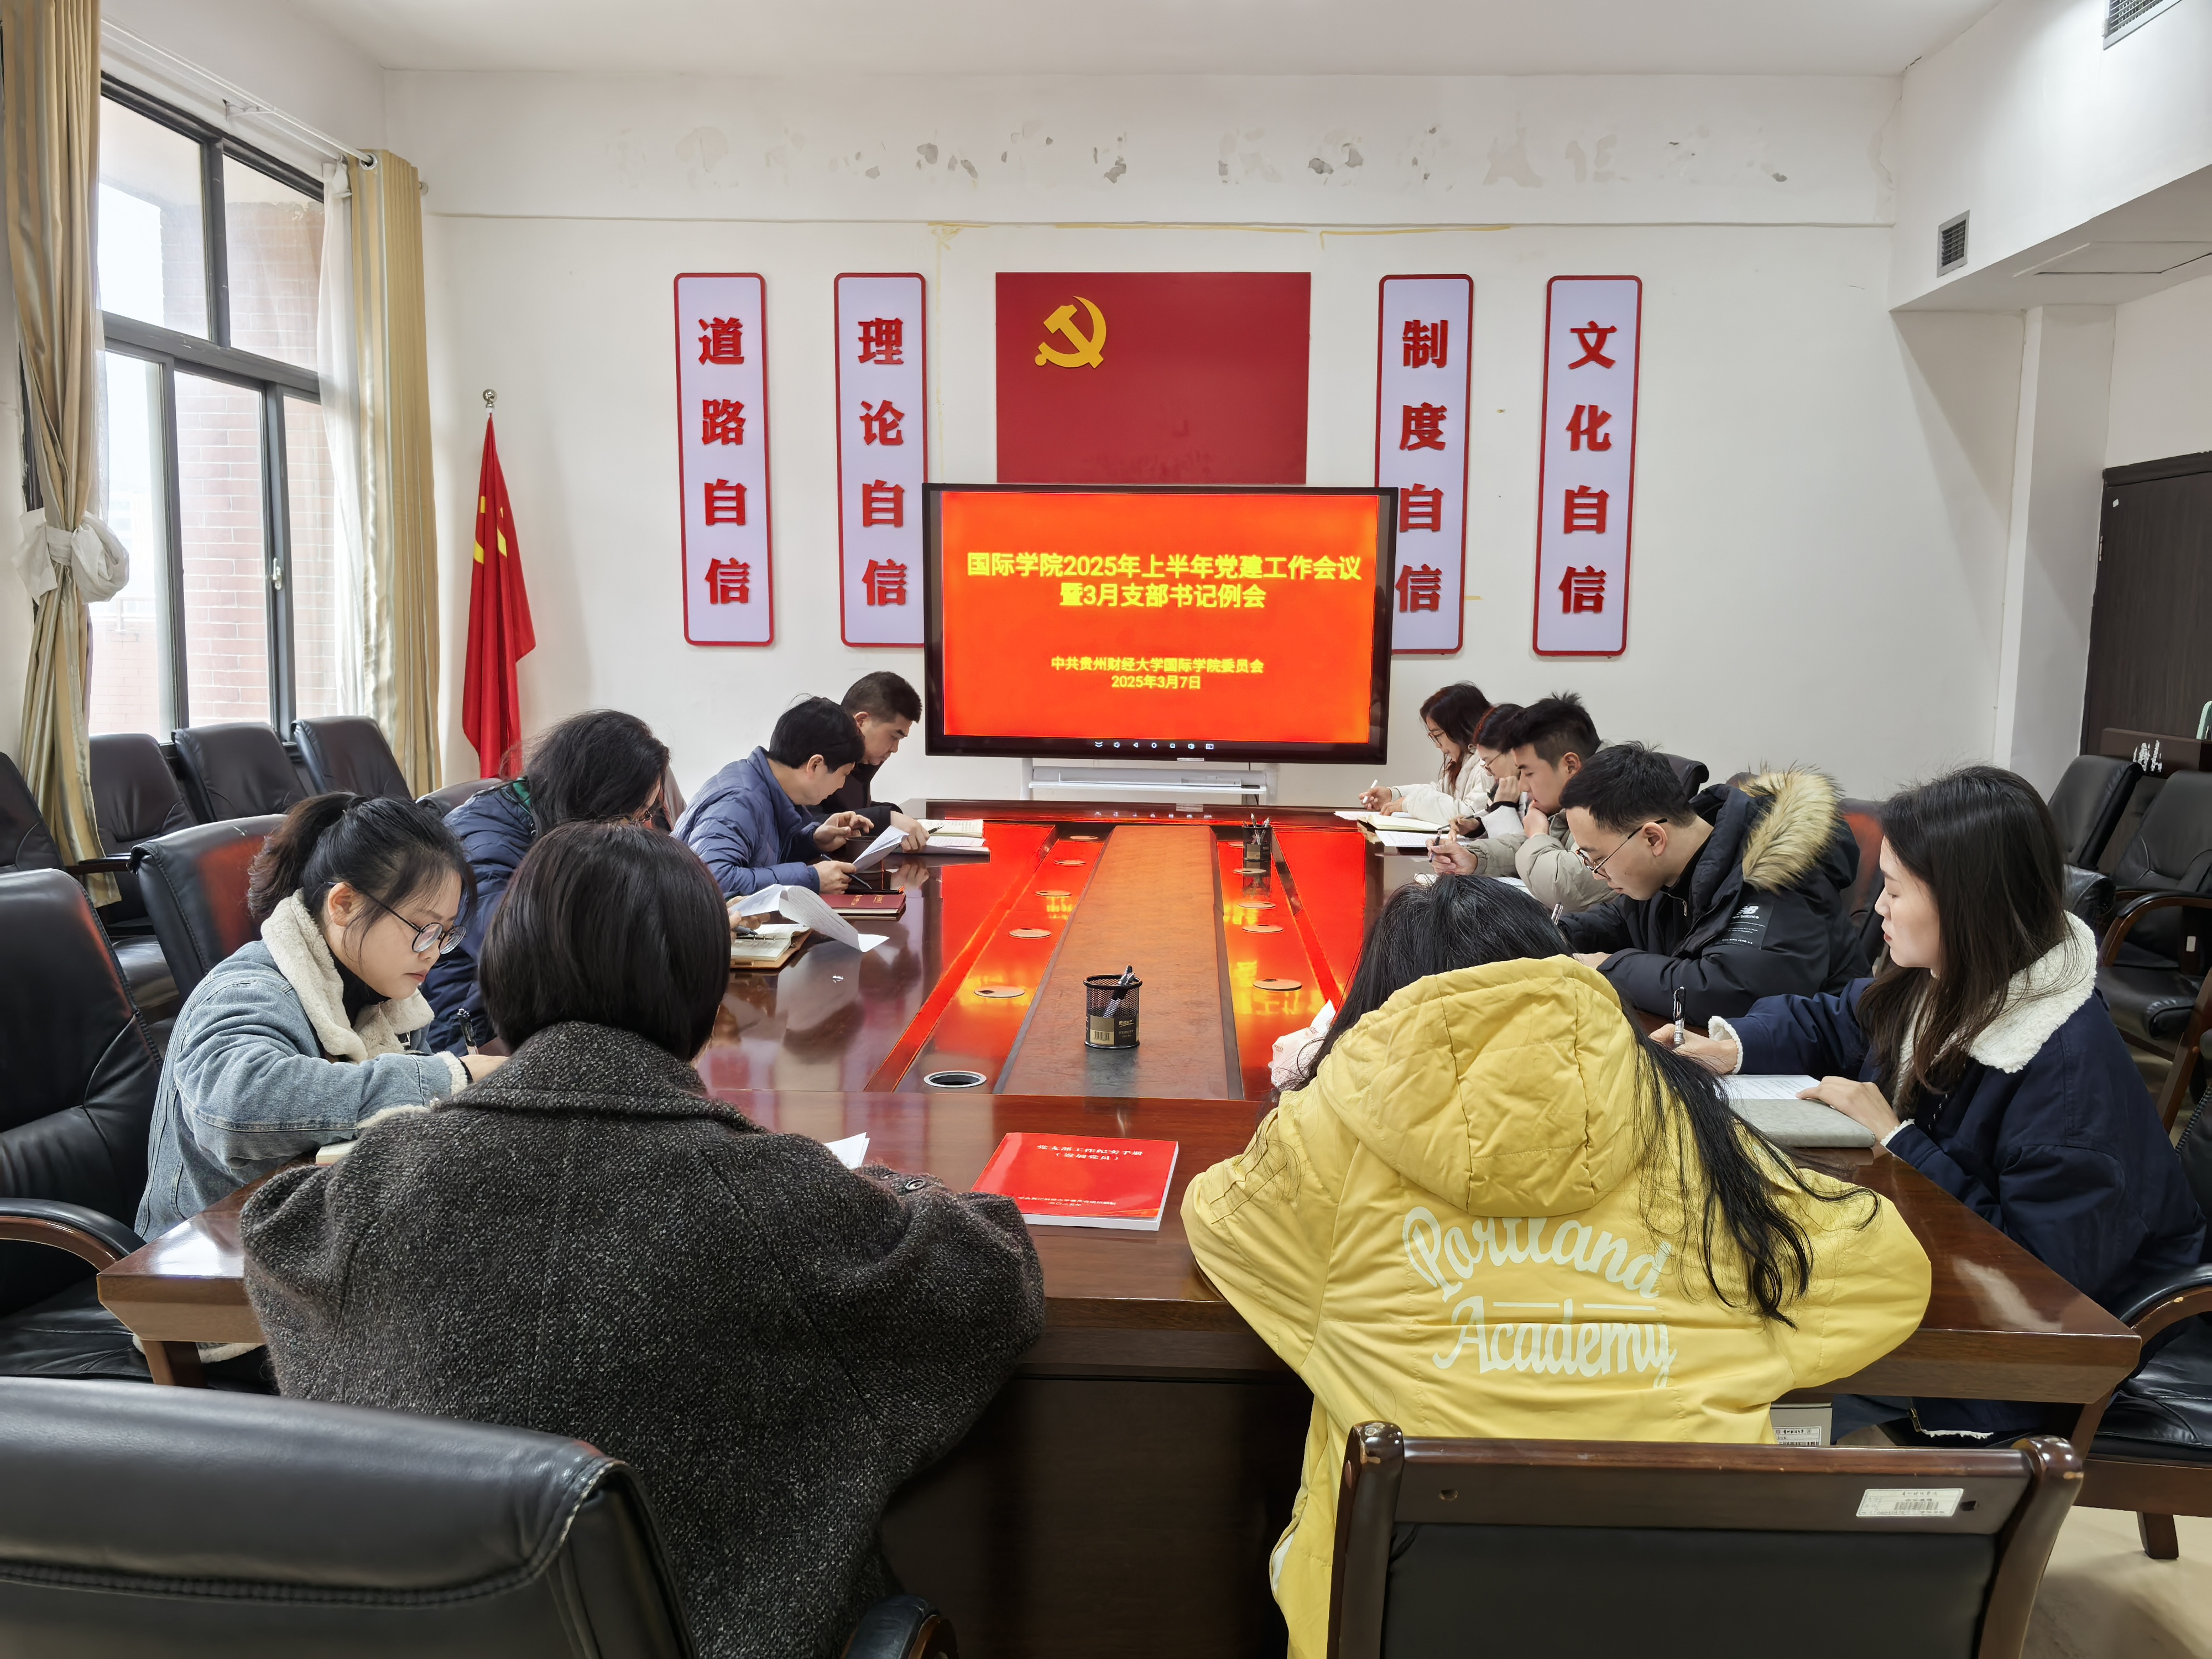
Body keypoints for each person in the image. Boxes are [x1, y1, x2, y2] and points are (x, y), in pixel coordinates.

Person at [239, 821, 1047, 1659]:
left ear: (502, 970)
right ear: (703, 988)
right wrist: (892, 1189)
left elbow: (276, 1229)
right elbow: (991, 1276)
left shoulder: (381, 1181)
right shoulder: (769, 1194)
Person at [1183, 874, 1929, 1659]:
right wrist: (1751, 1345)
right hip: (1691, 1610)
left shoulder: (1323, 1133)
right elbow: (1883, 1273)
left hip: (1402, 1618)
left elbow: (1217, 1219)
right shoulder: (1690, 1123)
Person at [1670, 765, 2206, 1445]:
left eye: (1894, 890)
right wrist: (1731, 1047)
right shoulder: (1956, 973)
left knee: (1751, 1374)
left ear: (1966, 902)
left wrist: (1899, 1140)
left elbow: (2039, 1276)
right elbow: (1842, 1018)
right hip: (1941, 1261)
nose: (1879, 908)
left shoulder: (2067, 1080)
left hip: (2045, 1341)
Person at [137, 794, 500, 1240]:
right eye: (423, 929)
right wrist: (449, 1078)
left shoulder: (387, 993)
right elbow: (233, 1108)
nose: (433, 953)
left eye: (444, 934)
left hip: (313, 1225)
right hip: (201, 1255)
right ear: (343, 904)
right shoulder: (248, 989)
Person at [1551, 743, 1865, 1024]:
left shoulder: (1778, 874)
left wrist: (1609, 966)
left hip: (1818, 1063)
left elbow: (1727, 991)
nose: (1596, 874)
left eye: (1599, 859)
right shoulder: (1673, 870)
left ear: (1653, 839)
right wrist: (1551, 936)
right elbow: (1623, 921)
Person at [423, 708, 670, 1053]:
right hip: (477, 1040)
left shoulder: (555, 820)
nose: (639, 830)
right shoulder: (482, 843)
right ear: (599, 799)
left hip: (543, 1020)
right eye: (636, 817)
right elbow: (519, 955)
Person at [679, 697, 874, 896]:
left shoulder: (763, 786)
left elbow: (760, 855)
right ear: (815, 765)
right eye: (844, 774)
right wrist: (811, 879)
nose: (842, 785)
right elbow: (713, 881)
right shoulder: (739, 802)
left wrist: (814, 841)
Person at [1487, 692, 1615, 912]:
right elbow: (1549, 846)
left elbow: (1567, 890)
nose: (1523, 786)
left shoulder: (1611, 796)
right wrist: (1475, 858)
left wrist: (1538, 836)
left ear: (1570, 766)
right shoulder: (1578, 792)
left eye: (1529, 773)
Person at [1357, 682, 1494, 826]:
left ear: (1461, 727)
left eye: (1438, 735)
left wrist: (1409, 803)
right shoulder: (1465, 760)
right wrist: (1393, 795)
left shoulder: (1488, 765)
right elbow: (1441, 791)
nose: (1437, 745)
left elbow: (1469, 815)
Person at [823, 671, 927, 850]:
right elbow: (806, 826)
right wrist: (887, 818)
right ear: (861, 721)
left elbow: (850, 807)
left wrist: (892, 813)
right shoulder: (819, 754)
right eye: (894, 737)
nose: (895, 749)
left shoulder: (863, 761)